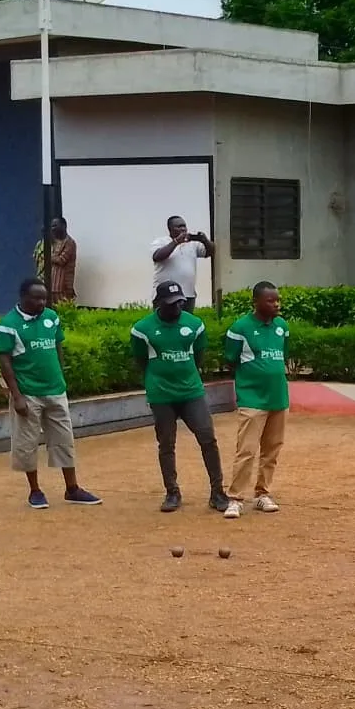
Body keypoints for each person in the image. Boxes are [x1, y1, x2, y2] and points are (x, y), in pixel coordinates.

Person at [0, 277, 100, 510]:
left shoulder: (52, 318)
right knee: (27, 443)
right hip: (28, 393)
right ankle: (35, 491)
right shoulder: (8, 324)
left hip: (55, 391)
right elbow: (4, 360)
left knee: (64, 440)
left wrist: (60, 376)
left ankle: (72, 489)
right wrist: (17, 396)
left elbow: (57, 347)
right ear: (23, 298)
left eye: (44, 298)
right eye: (36, 298)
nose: (42, 303)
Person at [132, 279, 229, 514]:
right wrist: (157, 381)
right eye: (170, 303)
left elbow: (198, 357)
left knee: (208, 438)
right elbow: (141, 360)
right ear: (158, 303)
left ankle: (217, 492)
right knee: (166, 443)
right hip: (161, 394)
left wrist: (186, 376)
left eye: (179, 302)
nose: (176, 307)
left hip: (191, 392)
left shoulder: (195, 325)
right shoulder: (142, 329)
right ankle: (172, 492)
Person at [223, 281, 291, 519]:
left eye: (278, 300)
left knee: (272, 450)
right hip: (252, 398)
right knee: (247, 450)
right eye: (271, 301)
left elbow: (283, 355)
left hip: (278, 397)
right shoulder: (240, 328)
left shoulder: (282, 326)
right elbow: (230, 359)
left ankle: (263, 494)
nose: (276, 304)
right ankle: (235, 498)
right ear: (256, 302)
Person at [152, 215, 212, 309]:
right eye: (179, 226)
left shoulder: (192, 244)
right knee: (165, 317)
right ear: (170, 229)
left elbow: (210, 252)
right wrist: (176, 242)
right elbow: (157, 257)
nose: (183, 229)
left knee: (186, 318)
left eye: (184, 226)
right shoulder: (160, 242)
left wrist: (205, 240)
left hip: (188, 294)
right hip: (166, 294)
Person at [36, 217, 78, 303]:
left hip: (62, 285)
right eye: (51, 226)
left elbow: (61, 260)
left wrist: (46, 256)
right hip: (50, 284)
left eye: (55, 226)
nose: (53, 228)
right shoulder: (53, 242)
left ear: (63, 226)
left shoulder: (69, 242)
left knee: (61, 307)